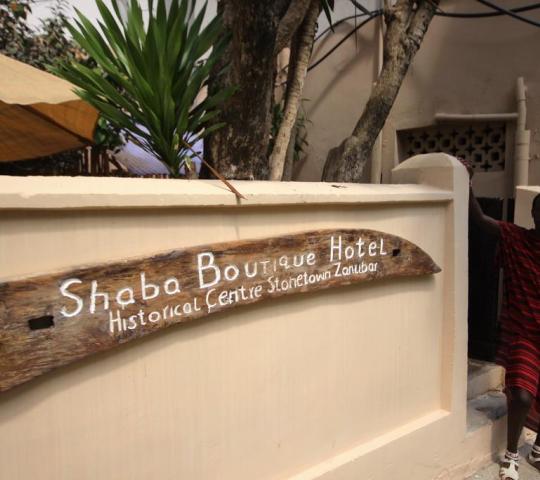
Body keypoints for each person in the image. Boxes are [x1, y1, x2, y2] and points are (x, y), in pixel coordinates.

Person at [462, 159, 540, 480]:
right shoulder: (517, 239)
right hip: (524, 333)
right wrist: (466, 182)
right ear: (534, 215)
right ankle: (511, 455)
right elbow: (479, 220)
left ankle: (537, 449)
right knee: (521, 394)